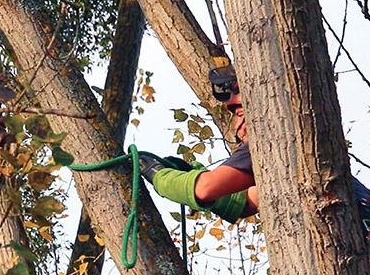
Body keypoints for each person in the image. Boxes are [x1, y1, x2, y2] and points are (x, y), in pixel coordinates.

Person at [140, 65, 370, 236]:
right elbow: (242, 203)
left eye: (240, 111)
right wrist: (191, 173)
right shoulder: (300, 159)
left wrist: (159, 175)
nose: (239, 124)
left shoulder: (272, 139)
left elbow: (205, 189)